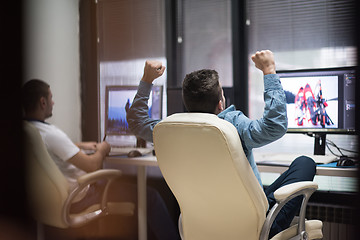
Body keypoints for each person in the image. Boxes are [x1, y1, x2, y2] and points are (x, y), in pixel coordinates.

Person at [126, 50, 316, 238]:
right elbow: (275, 126)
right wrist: (269, 70)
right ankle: (271, 228)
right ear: (220, 104)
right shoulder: (231, 124)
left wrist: (147, 80)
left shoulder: (170, 129)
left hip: (202, 223)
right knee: (305, 163)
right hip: (253, 225)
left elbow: (136, 122)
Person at [22, 79, 180, 240]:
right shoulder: (51, 134)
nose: (53, 102)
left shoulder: (29, 131)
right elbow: (92, 165)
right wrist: (103, 149)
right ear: (42, 102)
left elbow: (51, 148)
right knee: (151, 197)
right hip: (82, 197)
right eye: (50, 97)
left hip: (46, 203)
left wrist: (79, 145)